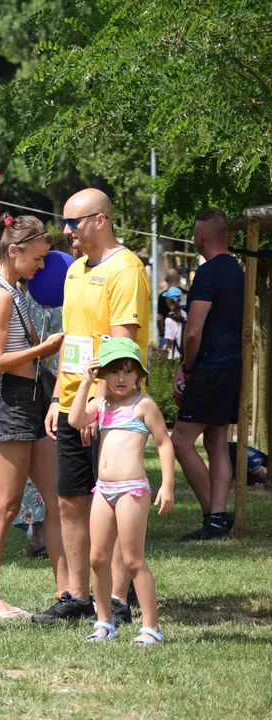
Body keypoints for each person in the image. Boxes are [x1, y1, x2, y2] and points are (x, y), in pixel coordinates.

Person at [38, 188, 150, 625]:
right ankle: (77, 596)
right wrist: (57, 398)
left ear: (100, 220)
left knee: (117, 497)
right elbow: (71, 338)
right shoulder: (75, 270)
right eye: (65, 222)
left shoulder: (127, 269)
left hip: (111, 406)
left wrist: (100, 402)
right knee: (69, 499)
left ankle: (119, 599)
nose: (66, 231)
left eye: (74, 222)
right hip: (71, 400)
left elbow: (120, 343)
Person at [0, 214, 67, 619]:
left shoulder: (16, 290)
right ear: (14, 251)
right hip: (9, 401)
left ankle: (68, 592)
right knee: (6, 504)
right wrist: (43, 350)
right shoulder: (0, 294)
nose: (42, 266)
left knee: (58, 501)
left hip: (33, 400)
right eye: (38, 258)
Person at [68, 339, 175, 644]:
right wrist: (85, 383)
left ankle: (151, 627)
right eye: (114, 371)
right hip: (103, 490)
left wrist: (167, 484)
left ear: (138, 375)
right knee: (98, 557)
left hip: (131, 491)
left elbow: (165, 443)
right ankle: (104, 622)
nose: (121, 378)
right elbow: (75, 420)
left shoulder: (143, 405)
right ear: (103, 374)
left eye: (128, 371)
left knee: (132, 559)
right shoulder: (101, 405)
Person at [171, 209, 244, 541]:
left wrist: (187, 367)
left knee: (181, 441)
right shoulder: (239, 270)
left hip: (210, 367)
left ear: (200, 236)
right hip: (232, 366)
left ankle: (213, 516)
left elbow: (192, 332)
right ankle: (217, 517)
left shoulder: (208, 272)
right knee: (216, 441)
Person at [156, 268, 185, 346]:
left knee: (165, 356)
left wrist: (161, 332)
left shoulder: (163, 296)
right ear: (179, 279)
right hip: (184, 333)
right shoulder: (186, 294)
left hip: (167, 335)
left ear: (166, 280)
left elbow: (159, 317)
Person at [161, 287, 185, 359]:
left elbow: (170, 340)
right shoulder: (185, 314)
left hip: (174, 356)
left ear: (168, 300)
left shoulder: (169, 319)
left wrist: (165, 347)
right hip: (185, 354)